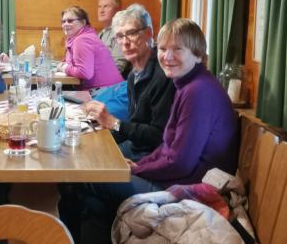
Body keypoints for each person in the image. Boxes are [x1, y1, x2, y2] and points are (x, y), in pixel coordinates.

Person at [79, 18, 240, 244]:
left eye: (177, 49)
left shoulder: (197, 91)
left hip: (189, 187)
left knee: (87, 178)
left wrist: (139, 171)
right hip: (180, 177)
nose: (167, 56)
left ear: (198, 54)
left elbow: (180, 162)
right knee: (91, 199)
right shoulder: (185, 85)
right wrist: (138, 166)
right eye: (163, 49)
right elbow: (166, 146)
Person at [85, 4, 175, 162]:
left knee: (88, 167)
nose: (125, 42)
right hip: (135, 146)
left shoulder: (163, 75)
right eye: (119, 36)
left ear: (148, 34)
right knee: (86, 150)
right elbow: (134, 126)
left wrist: (114, 123)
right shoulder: (134, 75)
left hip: (151, 156)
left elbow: (158, 136)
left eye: (131, 33)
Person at [57, 6, 123, 90]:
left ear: (83, 22)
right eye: (63, 21)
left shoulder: (82, 39)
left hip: (107, 92)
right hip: (107, 90)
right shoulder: (81, 37)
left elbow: (85, 73)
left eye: (70, 21)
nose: (65, 24)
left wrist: (64, 68)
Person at [97, 0, 131, 77]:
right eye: (99, 6)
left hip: (111, 85)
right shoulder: (101, 34)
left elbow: (117, 68)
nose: (101, 10)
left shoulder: (121, 33)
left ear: (118, 10)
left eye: (106, 6)